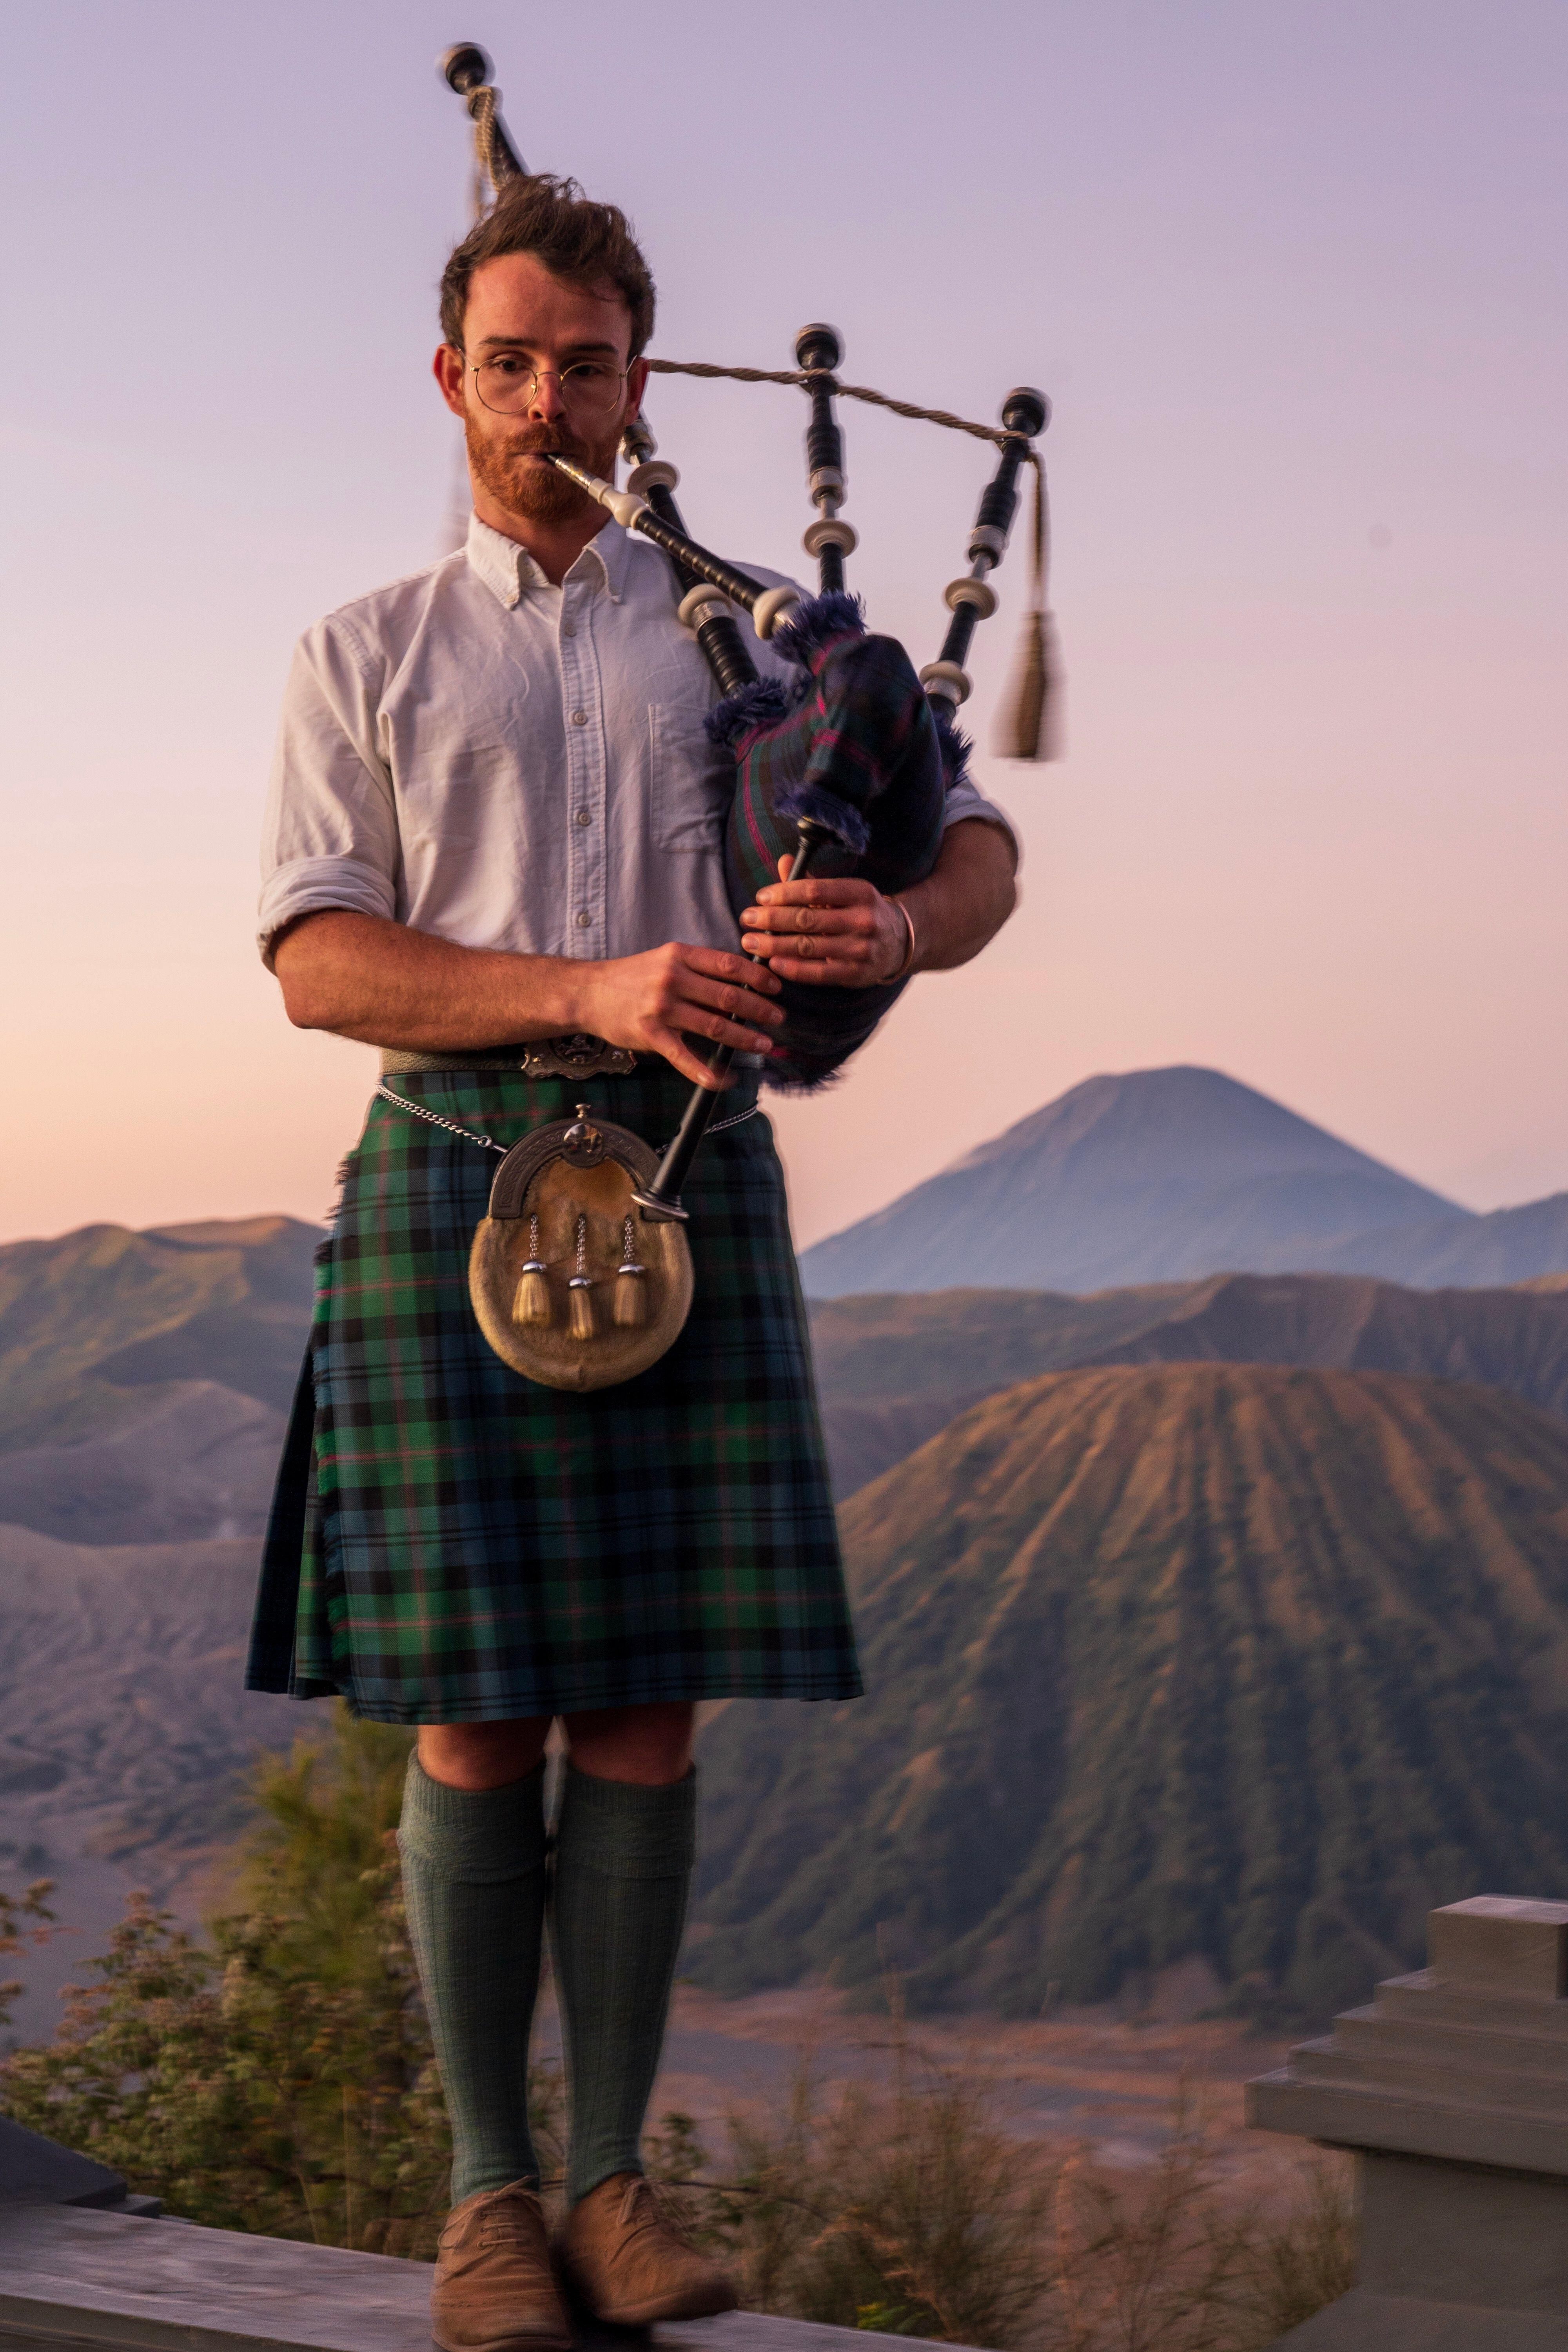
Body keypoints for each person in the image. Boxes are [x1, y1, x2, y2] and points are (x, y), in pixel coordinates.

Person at [247, 173, 1018, 2352]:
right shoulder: (363, 653)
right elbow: (319, 962)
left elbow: (975, 849)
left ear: (642, 379)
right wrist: (585, 990)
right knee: (485, 1719)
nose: (548, 397)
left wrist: (899, 926)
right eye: (511, 361)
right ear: (450, 379)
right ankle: (492, 2199)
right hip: (451, 1174)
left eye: (588, 362)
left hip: (686, 1185)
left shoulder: (773, 640)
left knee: (651, 1712)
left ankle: (613, 2186)